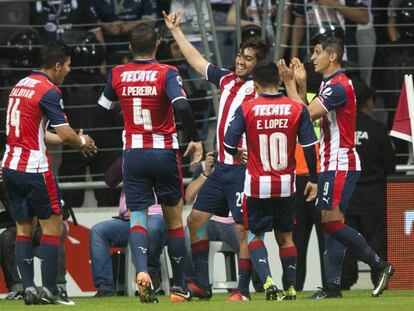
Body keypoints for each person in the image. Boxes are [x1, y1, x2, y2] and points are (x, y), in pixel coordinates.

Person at [278, 31, 394, 299]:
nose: (312, 57)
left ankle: (380, 264)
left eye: (317, 52)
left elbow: (304, 117)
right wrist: (299, 85)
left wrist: (291, 85)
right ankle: (332, 286)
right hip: (331, 162)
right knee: (331, 221)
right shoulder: (329, 84)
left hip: (340, 161)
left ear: (332, 55)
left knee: (331, 223)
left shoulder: (338, 86)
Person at [163, 10, 268, 301]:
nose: (240, 61)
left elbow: (272, 121)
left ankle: (244, 289)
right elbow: (197, 61)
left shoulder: (260, 90)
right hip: (220, 168)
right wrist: (176, 31)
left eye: (248, 59)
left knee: (242, 229)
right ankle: (202, 284)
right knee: (195, 220)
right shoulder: (226, 80)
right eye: (239, 56)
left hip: (242, 171)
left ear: (258, 64)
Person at [97, 23, 203, 303]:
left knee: (139, 217)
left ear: (130, 48)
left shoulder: (117, 73)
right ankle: (179, 287)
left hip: (133, 153)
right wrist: (195, 138)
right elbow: (181, 106)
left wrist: (128, 108)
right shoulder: (167, 72)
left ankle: (143, 273)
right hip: (163, 152)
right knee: (173, 220)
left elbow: (103, 108)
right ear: (156, 46)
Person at [1, 42, 97, 305]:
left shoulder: (19, 86)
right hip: (34, 169)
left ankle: (30, 289)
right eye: (66, 65)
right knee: (53, 226)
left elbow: (37, 132)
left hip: (9, 166)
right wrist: (81, 141)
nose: (67, 71)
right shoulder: (49, 91)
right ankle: (52, 290)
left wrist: (73, 139)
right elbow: (65, 133)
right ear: (57, 65)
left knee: (22, 228)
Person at [224, 61, 318, 300]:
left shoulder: (247, 108)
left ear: (255, 85)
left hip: (257, 184)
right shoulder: (296, 109)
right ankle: (291, 287)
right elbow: (309, 146)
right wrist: (314, 178)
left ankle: (267, 282)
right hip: (287, 184)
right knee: (285, 237)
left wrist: (236, 153)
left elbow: (227, 143)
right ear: (279, 82)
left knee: (255, 234)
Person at [341, 78, 396, 290]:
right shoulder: (378, 130)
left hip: (348, 195)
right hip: (373, 196)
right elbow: (390, 164)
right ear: (369, 103)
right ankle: (379, 281)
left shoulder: (342, 129)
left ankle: (343, 284)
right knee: (376, 242)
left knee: (347, 242)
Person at [90, 156, 167, 297]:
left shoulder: (161, 154)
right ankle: (105, 287)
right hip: (127, 220)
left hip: (156, 215)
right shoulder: (129, 157)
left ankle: (151, 274)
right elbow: (110, 180)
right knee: (98, 231)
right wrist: (125, 159)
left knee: (153, 227)